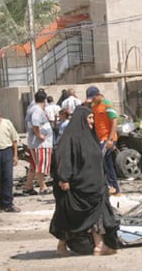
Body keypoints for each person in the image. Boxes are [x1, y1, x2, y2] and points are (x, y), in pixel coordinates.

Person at [50, 106, 121, 256]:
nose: (92, 122)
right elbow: (62, 158)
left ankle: (92, 245)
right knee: (77, 213)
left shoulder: (89, 137)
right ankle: (98, 245)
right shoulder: (69, 138)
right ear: (81, 119)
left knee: (92, 212)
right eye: (89, 118)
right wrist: (64, 178)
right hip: (76, 185)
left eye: (92, 118)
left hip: (91, 183)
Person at [86, 86, 120, 195]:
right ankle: (113, 188)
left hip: (108, 139)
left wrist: (110, 140)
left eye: (93, 98)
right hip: (100, 139)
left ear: (98, 95)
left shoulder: (107, 105)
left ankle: (111, 186)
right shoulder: (94, 107)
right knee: (107, 163)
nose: (93, 101)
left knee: (102, 162)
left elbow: (114, 121)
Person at [23, 90, 53, 195]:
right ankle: (43, 186)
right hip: (40, 144)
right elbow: (35, 122)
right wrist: (39, 134)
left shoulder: (31, 109)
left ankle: (28, 186)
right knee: (41, 165)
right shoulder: (37, 110)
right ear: (44, 100)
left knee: (33, 165)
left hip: (34, 143)